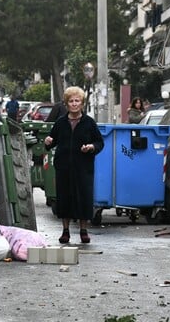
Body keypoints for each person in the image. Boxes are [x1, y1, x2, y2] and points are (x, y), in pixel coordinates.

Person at [44, 86, 104, 244]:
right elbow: (51, 141)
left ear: (82, 103)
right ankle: (65, 231)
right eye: (71, 101)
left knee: (83, 197)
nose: (74, 104)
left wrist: (91, 147)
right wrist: (48, 142)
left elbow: (99, 142)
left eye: (77, 101)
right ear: (66, 104)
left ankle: (84, 231)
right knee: (64, 198)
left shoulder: (89, 122)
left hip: (83, 167)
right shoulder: (61, 122)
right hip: (64, 168)